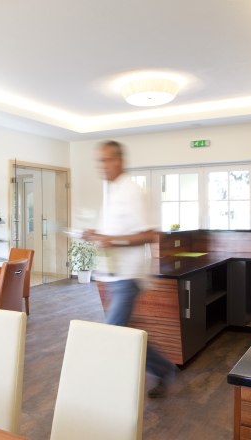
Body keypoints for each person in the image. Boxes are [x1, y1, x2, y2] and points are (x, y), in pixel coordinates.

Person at [83, 140, 176, 398]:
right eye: (99, 161)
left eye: (106, 160)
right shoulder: (112, 192)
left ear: (119, 161)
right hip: (113, 276)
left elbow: (148, 234)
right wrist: (96, 233)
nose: (102, 166)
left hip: (128, 276)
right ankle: (163, 369)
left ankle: (102, 389)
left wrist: (112, 240)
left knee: (112, 332)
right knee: (123, 333)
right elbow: (115, 232)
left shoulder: (133, 191)